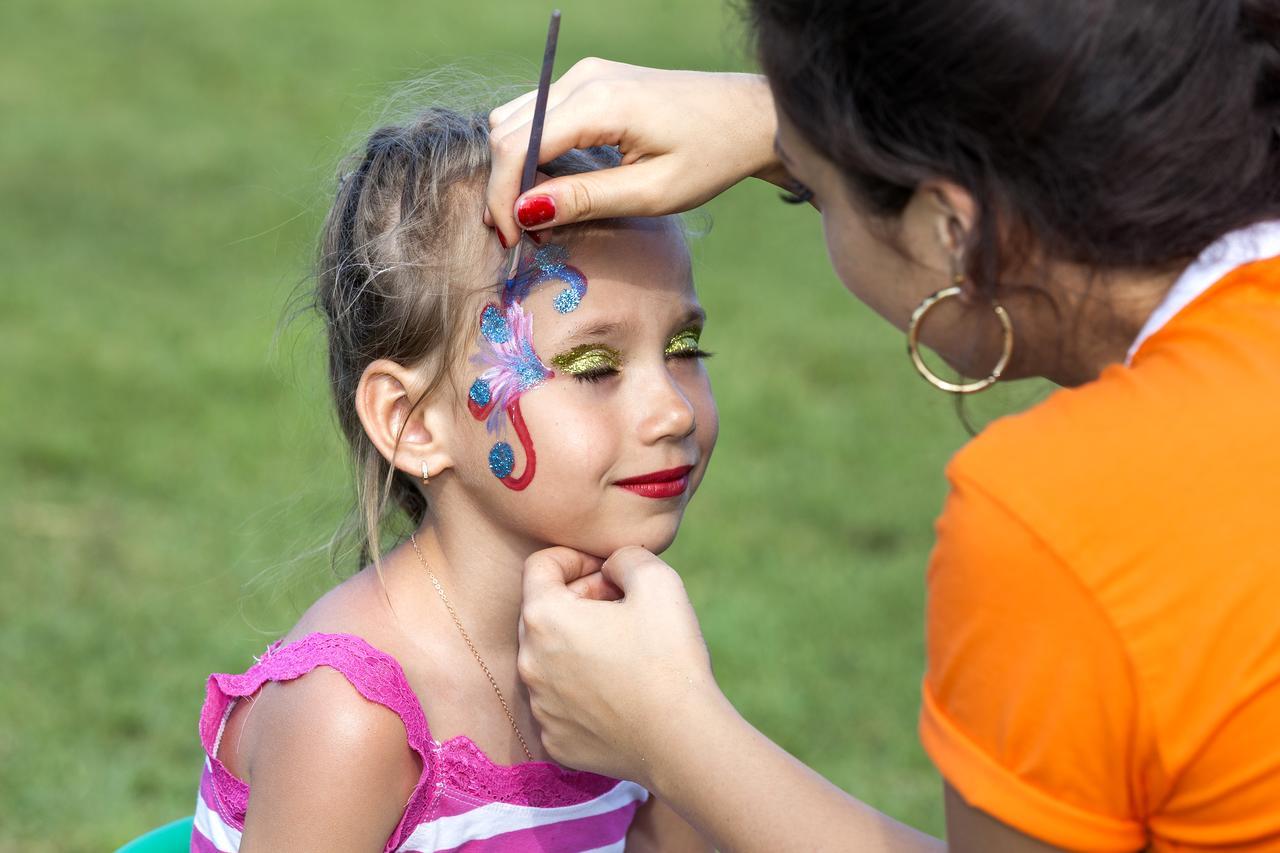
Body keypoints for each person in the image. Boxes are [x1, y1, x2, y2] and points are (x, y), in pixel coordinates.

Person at [486, 2, 1280, 851]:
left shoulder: (1073, 522)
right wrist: (786, 121)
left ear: (953, 232)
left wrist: (679, 738)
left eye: (811, 193)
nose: (673, 409)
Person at [191, 105, 716, 852]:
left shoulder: (637, 652)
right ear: (412, 422)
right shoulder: (353, 719)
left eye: (686, 345)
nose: (671, 409)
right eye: (595, 365)